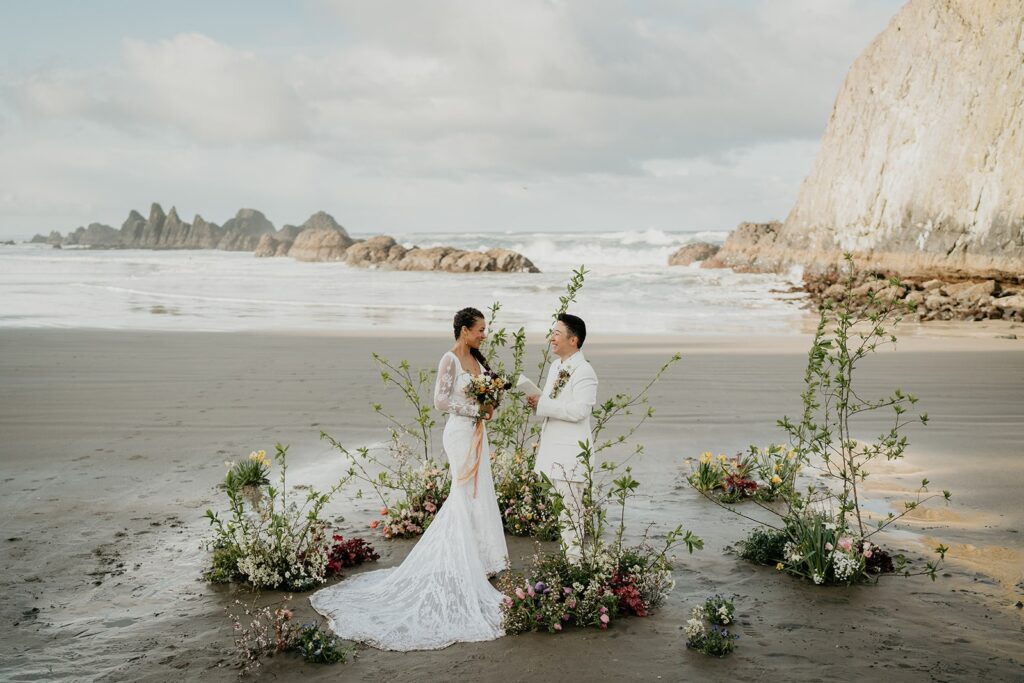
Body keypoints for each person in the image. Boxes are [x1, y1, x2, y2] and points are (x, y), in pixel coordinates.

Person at [309, 307, 509, 651]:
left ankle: (483, 556)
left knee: (480, 492)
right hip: (460, 434)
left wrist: (493, 400)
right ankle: (465, 559)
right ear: (462, 330)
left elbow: (486, 396)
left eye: (484, 329)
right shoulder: (450, 360)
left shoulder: (479, 360)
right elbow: (441, 401)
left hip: (478, 432)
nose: (484, 334)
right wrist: (477, 409)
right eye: (479, 329)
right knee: (464, 494)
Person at [526, 313, 598, 562]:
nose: (551, 338)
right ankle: (571, 566)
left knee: (572, 516)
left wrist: (544, 405)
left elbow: (581, 411)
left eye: (557, 334)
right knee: (562, 516)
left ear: (574, 340)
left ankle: (576, 568)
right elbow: (552, 404)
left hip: (571, 456)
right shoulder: (556, 367)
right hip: (552, 453)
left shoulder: (584, 371)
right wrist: (537, 403)